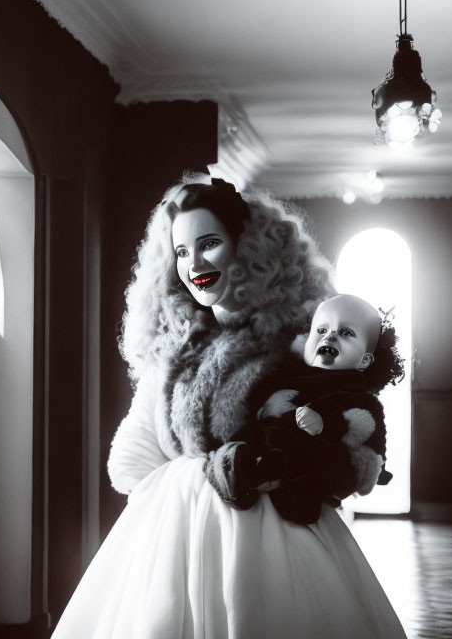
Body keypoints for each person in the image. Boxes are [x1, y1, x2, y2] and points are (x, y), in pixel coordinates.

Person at [52, 175, 407, 638]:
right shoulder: (173, 352)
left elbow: (350, 447)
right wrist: (189, 479)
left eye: (209, 243)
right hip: (174, 540)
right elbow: (130, 463)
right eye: (181, 252)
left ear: (249, 248)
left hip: (275, 542)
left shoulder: (298, 343)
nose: (194, 263)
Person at [207, 294, 405, 525]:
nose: (330, 335)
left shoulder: (359, 398)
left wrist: (326, 425)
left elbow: (365, 430)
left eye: (346, 333)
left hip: (323, 462)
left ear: (364, 360)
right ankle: (237, 468)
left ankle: (269, 478)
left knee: (314, 453)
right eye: (321, 330)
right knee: (254, 433)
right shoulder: (289, 375)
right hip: (276, 441)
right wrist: (268, 407)